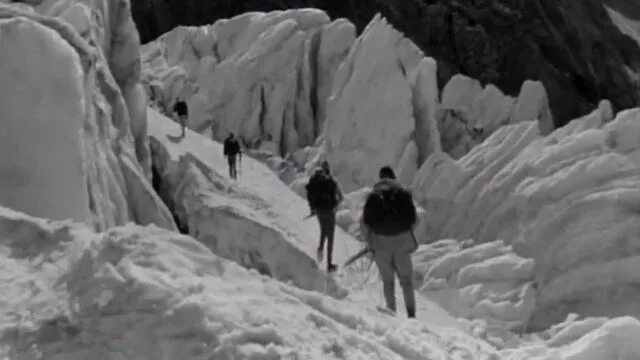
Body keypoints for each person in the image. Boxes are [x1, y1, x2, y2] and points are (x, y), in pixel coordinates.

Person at [360, 166, 418, 318]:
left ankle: (392, 314)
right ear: (394, 177)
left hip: (380, 245)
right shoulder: (403, 194)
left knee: (388, 282)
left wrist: (370, 243)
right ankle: (411, 315)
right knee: (406, 282)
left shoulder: (374, 195)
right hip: (402, 243)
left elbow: (365, 222)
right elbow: (413, 220)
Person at [305, 161, 343, 273]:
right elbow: (340, 197)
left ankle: (320, 248)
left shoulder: (315, 180)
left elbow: (309, 191)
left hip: (319, 210)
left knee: (323, 230)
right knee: (330, 236)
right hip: (330, 210)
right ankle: (329, 264)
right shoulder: (331, 181)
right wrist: (335, 205)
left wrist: (313, 208)